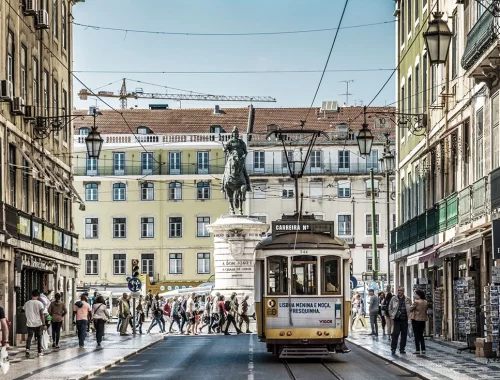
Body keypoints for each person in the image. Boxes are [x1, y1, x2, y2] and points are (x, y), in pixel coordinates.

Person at [221, 126, 252, 192]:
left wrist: (244, 156)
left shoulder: (241, 142)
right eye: (234, 133)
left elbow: (245, 152)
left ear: (238, 134)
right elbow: (225, 148)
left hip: (240, 160)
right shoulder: (230, 141)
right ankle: (223, 186)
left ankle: (248, 186)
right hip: (231, 159)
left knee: (245, 172)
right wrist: (224, 149)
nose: (235, 134)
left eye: (236, 133)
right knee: (225, 171)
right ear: (232, 134)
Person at [389, 286, 412, 355]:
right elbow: (390, 307)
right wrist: (391, 315)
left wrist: (409, 317)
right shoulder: (394, 299)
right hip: (397, 319)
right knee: (395, 334)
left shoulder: (408, 299)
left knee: (404, 335)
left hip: (405, 319)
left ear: (403, 291)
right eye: (398, 290)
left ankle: (402, 349)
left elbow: (410, 308)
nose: (399, 292)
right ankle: (393, 348)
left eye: (401, 290)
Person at [25, 290, 46, 357]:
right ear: (38, 296)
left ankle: (27, 350)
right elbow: (42, 314)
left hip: (30, 323)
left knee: (29, 337)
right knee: (39, 337)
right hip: (38, 323)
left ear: (32, 295)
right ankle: (39, 352)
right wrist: (44, 324)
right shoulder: (40, 303)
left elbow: (23, 310)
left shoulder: (27, 303)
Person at [410, 289, 428, 355]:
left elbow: (410, 308)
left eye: (416, 294)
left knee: (416, 335)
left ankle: (417, 349)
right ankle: (423, 349)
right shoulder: (425, 302)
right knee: (421, 334)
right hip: (423, 319)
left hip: (416, 319)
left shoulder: (416, 302)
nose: (415, 296)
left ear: (419, 295)